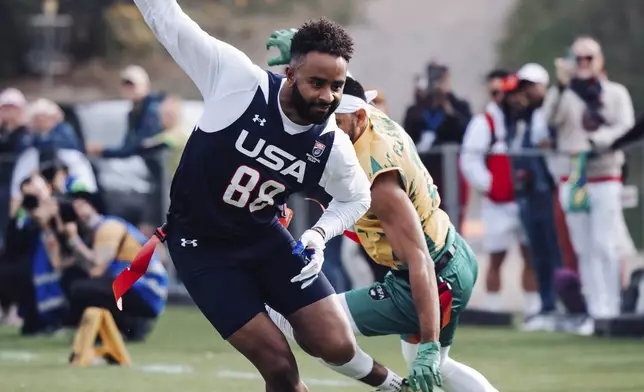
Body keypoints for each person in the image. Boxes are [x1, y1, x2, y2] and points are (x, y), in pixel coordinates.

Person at [129, 2, 404, 391]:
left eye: (337, 86)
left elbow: (357, 197)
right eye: (317, 83)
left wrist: (318, 236)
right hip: (202, 248)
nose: (328, 97)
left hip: (264, 238)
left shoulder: (330, 142)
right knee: (278, 366)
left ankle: (392, 384)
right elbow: (166, 19)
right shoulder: (238, 80)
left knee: (335, 343)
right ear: (290, 73)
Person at [266, 76, 498, 392]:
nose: (322, 126)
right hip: (451, 254)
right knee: (440, 369)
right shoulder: (369, 118)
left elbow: (419, 260)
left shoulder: (379, 182)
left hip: (429, 277)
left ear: (359, 117)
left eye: (333, 119)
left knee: (314, 327)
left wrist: (429, 341)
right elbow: (343, 85)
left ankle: (391, 386)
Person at [544, 36, 634, 331]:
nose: (584, 64)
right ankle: (595, 311)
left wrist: (600, 141)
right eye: (578, 58)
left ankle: (611, 308)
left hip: (605, 175)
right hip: (574, 177)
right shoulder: (564, 94)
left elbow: (626, 126)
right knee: (583, 246)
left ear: (599, 59)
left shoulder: (615, 93)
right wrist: (560, 86)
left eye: (589, 58)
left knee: (605, 244)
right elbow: (549, 119)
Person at [460, 73, 540, 316]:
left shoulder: (526, 120)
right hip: (497, 203)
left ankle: (534, 307)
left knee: (530, 255)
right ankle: (493, 309)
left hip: (525, 200)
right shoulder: (485, 122)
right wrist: (491, 184)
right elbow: (469, 159)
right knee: (496, 256)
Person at [62, 189, 167, 341]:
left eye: (81, 205)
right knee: (81, 282)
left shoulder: (107, 227)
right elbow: (59, 264)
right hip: (137, 286)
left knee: (82, 288)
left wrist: (73, 240)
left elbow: (97, 268)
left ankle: (105, 331)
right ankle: (127, 326)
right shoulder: (97, 231)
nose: (76, 211)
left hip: (147, 287)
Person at [513, 63, 562, 331]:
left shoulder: (549, 114)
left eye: (532, 87)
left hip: (549, 190)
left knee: (555, 249)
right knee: (538, 251)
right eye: (525, 88)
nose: (527, 92)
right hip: (529, 194)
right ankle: (546, 305)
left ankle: (560, 304)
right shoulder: (523, 117)